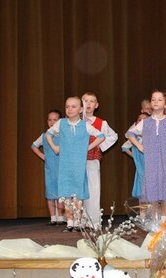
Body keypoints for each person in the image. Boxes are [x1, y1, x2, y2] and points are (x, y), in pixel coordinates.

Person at [126, 90, 166, 222]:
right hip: (150, 163)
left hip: (165, 162)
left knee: (165, 189)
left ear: (165, 104)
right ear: (150, 103)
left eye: (159, 100)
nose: (156, 102)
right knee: (153, 189)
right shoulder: (145, 122)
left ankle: (164, 220)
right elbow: (130, 134)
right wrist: (139, 146)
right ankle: (155, 219)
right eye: (153, 99)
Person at [46, 97, 106, 231]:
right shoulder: (61, 123)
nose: (70, 109)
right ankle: (69, 222)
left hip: (78, 165)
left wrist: (87, 148)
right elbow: (48, 134)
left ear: (80, 109)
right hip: (65, 165)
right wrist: (55, 147)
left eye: (73, 106)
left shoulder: (85, 125)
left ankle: (78, 221)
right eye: (67, 106)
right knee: (67, 194)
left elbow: (101, 136)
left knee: (77, 194)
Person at [81, 92, 118, 226]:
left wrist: (99, 147)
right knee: (78, 189)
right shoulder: (75, 120)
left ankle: (93, 221)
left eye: (91, 101)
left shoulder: (101, 123)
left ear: (96, 105)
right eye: (85, 101)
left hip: (92, 159)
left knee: (93, 188)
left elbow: (113, 136)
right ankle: (78, 220)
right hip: (75, 160)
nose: (88, 104)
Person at [31, 109, 66, 225]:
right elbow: (34, 145)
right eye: (49, 120)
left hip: (62, 168)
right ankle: (53, 217)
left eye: (55, 120)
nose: (52, 122)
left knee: (61, 193)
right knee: (50, 193)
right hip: (50, 168)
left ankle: (60, 217)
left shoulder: (64, 135)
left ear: (60, 121)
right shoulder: (44, 135)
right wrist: (42, 156)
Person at [121, 113, 149, 198]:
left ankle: (154, 209)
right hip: (140, 167)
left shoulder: (152, 137)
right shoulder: (134, 138)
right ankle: (143, 210)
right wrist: (135, 157)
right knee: (142, 187)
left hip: (151, 167)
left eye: (145, 120)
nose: (141, 122)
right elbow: (124, 147)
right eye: (139, 120)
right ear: (136, 123)